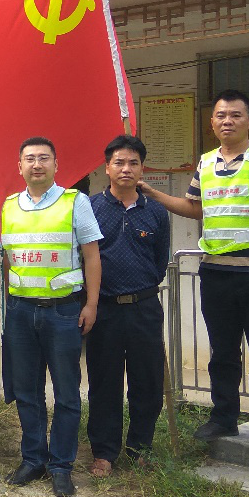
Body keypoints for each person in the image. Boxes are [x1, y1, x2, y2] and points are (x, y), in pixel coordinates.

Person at [138, 89, 249, 452]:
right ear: (212, 122)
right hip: (216, 272)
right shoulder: (206, 162)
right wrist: (152, 192)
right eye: (221, 116)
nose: (228, 121)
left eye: (235, 115)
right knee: (223, 352)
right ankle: (224, 417)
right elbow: (195, 208)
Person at [1, 136, 101, 497]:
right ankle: (33, 459)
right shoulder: (9, 206)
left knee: (66, 392)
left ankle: (61, 465)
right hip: (21, 311)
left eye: (44, 158)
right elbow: (8, 259)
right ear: (20, 167)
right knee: (27, 391)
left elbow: (92, 255)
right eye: (30, 159)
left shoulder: (75, 202)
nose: (37, 164)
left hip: (63, 311)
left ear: (56, 166)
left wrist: (91, 304)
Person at [85, 135, 171, 476]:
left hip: (143, 307)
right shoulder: (90, 208)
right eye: (119, 162)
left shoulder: (156, 212)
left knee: (147, 381)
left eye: (133, 163)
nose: (126, 169)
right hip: (104, 308)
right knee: (104, 381)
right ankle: (104, 452)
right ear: (107, 168)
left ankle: (140, 448)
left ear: (142, 169)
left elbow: (160, 261)